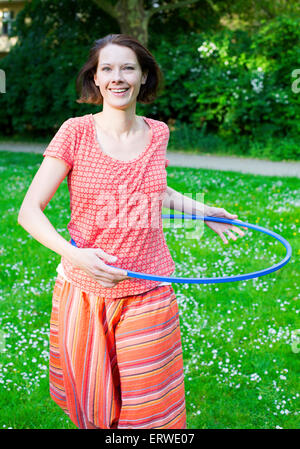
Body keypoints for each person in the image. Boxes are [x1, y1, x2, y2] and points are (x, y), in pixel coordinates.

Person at [17, 34, 246, 429]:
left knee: (149, 414)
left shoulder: (158, 133)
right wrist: (74, 255)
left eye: (128, 68)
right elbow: (29, 212)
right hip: (85, 292)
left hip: (148, 291)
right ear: (95, 78)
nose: (117, 77)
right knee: (94, 410)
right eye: (107, 68)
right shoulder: (75, 132)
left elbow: (156, 189)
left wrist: (201, 210)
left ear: (143, 77)